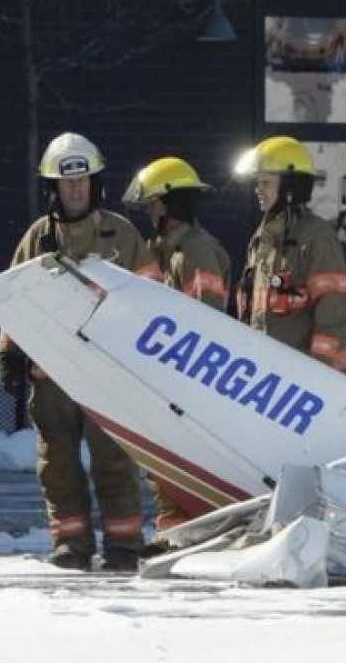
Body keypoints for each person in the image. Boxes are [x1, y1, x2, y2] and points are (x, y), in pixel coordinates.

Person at [0, 132, 161, 571]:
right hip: (51, 377)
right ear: (54, 187)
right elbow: (13, 298)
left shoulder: (122, 234)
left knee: (114, 459)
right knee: (58, 464)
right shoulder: (38, 237)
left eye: (82, 180)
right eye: (67, 182)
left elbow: (154, 300)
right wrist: (9, 353)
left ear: (95, 183)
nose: (75, 189)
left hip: (109, 375)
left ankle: (124, 545)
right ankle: (71, 545)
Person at [122, 156, 231, 533]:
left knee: (190, 466)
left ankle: (196, 537)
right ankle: (175, 537)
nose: (148, 212)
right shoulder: (166, 251)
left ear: (169, 204)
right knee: (166, 469)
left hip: (189, 383)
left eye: (152, 204)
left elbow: (206, 323)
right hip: (169, 379)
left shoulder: (194, 251)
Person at [233, 136, 346, 373]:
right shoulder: (262, 238)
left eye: (266, 183)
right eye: (257, 183)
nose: (258, 190)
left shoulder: (317, 236)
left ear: (289, 188)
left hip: (308, 377)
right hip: (271, 373)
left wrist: (320, 373)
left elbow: (333, 310)